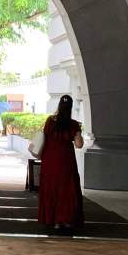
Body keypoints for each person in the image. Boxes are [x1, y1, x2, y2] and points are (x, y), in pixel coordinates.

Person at [37, 94, 84, 234]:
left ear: (59, 105)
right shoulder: (73, 124)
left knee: (51, 187)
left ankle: (53, 220)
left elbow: (44, 137)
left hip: (50, 160)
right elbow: (79, 144)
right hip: (66, 161)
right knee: (66, 189)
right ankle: (66, 220)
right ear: (70, 107)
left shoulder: (50, 121)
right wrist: (78, 133)